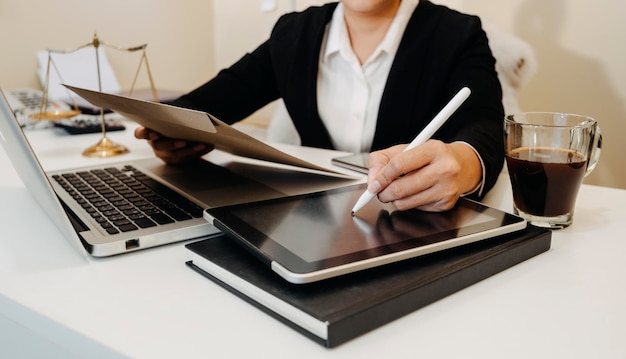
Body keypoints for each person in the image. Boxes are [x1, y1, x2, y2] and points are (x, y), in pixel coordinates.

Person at [135, 0, 504, 212]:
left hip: (411, 233)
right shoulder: (295, 33)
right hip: (309, 229)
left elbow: (484, 126)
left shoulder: (457, 34)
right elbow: (211, 101)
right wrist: (170, 130)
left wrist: (462, 165)